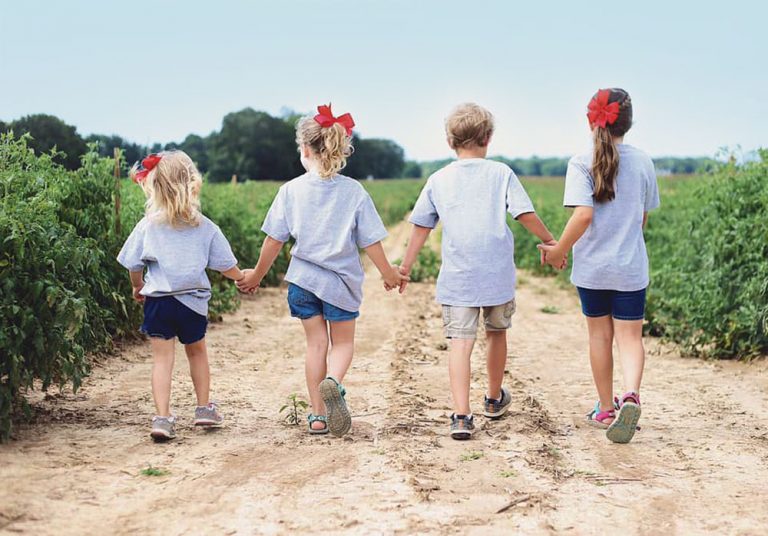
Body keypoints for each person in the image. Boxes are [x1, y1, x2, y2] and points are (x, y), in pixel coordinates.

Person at [237, 104, 408, 437]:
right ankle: (334, 381)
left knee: (315, 345)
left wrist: (256, 276)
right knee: (341, 345)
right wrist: (389, 274)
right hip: (341, 284)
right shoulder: (354, 192)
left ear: (304, 150)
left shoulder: (290, 191)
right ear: (340, 149)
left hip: (303, 281)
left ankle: (317, 416)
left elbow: (273, 241)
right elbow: (371, 242)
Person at [398, 103, 560, 440]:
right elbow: (524, 213)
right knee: (497, 333)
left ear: (449, 142)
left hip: (458, 276)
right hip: (496, 273)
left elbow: (420, 226)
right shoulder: (501, 173)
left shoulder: (438, 179)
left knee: (460, 343)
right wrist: (550, 240)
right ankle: (492, 398)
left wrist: (406, 266)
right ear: (487, 138)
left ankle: (460, 415)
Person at [539, 88, 660, 443]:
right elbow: (642, 219)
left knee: (599, 336)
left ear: (592, 121)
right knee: (630, 338)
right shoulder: (644, 161)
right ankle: (632, 395)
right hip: (630, 268)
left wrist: (559, 249)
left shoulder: (581, 161)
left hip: (593, 270)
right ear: (629, 122)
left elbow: (583, 214)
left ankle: (606, 407)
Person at [117, 151, 244, 441]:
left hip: (159, 302)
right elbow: (226, 265)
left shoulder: (148, 226)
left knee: (163, 360)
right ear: (193, 184)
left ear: (154, 186)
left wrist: (137, 286)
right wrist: (242, 278)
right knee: (197, 352)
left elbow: (133, 264)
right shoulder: (204, 226)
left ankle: (162, 418)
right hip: (192, 304)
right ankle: (202, 409)